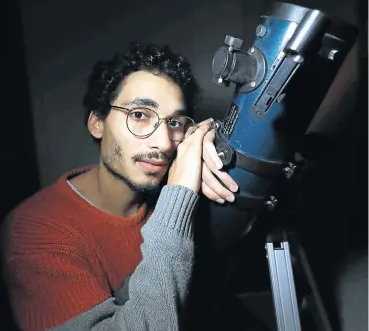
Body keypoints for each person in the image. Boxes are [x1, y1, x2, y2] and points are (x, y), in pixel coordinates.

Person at [0, 42, 239, 331]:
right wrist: (179, 198)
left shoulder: (174, 186)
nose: (163, 143)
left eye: (173, 122)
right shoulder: (34, 230)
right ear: (97, 123)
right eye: (139, 115)